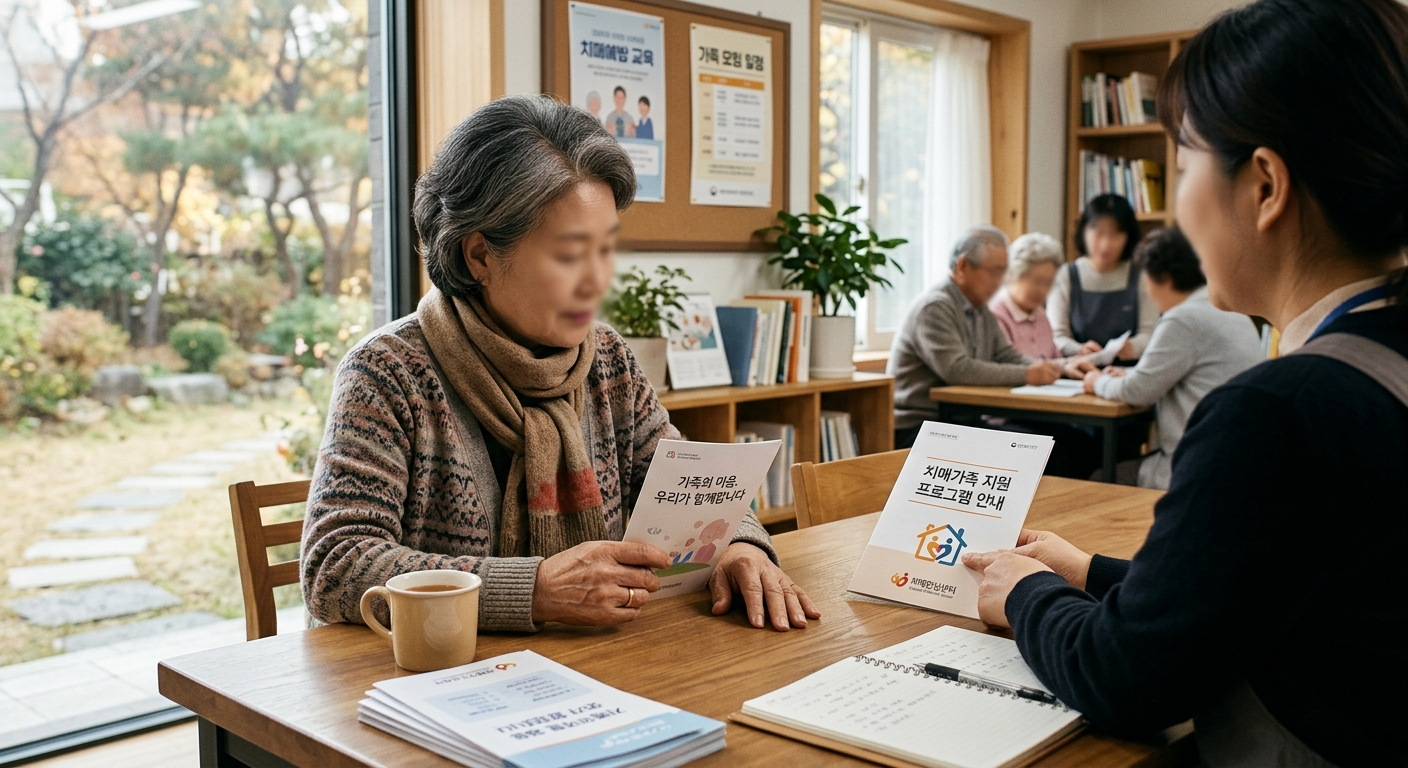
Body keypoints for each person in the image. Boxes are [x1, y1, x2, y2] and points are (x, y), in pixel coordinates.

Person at [963, 1, 1408, 765]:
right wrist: (1091, 572)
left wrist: (1025, 592)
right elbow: (1275, 583)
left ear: (1265, 185)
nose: (1174, 203)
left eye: (1186, 160)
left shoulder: (1279, 412)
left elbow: (1130, 678)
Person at [301, 95, 819, 634]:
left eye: (605, 250)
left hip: (591, 667)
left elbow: (690, 491)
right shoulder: (388, 371)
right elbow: (334, 565)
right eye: (570, 255)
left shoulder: (608, 360)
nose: (596, 282)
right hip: (432, 682)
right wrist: (532, 591)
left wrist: (739, 546)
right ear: (478, 255)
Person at [1075, 227, 1262, 489]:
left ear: (1162, 277)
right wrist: (1131, 374)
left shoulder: (1182, 318)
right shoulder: (1234, 312)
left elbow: (1137, 391)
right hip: (1236, 459)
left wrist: (1095, 381)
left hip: (1193, 465)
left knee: (1098, 480)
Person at [887, 226, 1063, 449]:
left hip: (958, 422)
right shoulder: (935, 307)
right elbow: (958, 370)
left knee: (1055, 442)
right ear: (962, 266)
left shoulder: (980, 308)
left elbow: (1005, 354)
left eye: (1004, 272)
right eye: (994, 272)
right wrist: (1028, 375)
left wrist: (1047, 368)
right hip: (920, 426)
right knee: (1033, 449)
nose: (1000, 282)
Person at [1048, 194, 1158, 360]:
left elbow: (1151, 332)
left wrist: (1133, 347)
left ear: (1128, 236)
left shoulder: (1142, 275)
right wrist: (1079, 349)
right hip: (1077, 371)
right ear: (1084, 231)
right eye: (1098, 233)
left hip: (1128, 375)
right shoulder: (1066, 275)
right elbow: (1056, 335)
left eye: (1115, 235)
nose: (1105, 244)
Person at [989, 232, 1066, 360]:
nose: (1042, 290)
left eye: (1048, 283)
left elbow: (1055, 359)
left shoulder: (1039, 314)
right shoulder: (996, 315)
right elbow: (1008, 367)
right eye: (1037, 281)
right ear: (1014, 275)